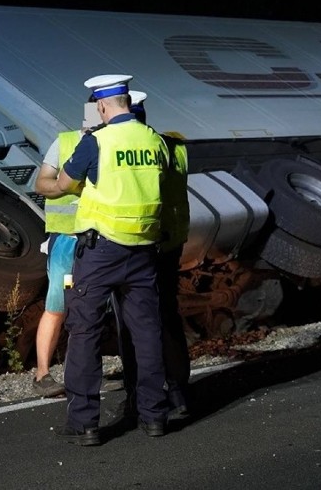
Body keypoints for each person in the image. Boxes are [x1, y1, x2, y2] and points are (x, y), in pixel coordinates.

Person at [54, 74, 171, 446]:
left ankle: (86, 423)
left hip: (100, 250)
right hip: (144, 250)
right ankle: (154, 416)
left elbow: (64, 185)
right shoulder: (156, 141)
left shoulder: (97, 141)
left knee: (85, 331)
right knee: (147, 332)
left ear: (102, 106)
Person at [115, 91, 193, 425]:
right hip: (171, 242)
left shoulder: (133, 149)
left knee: (133, 323)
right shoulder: (174, 146)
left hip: (140, 244)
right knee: (167, 316)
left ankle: (140, 395)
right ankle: (178, 391)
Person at [31, 102, 100, 397]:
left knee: (91, 309)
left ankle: (84, 375)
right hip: (67, 240)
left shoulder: (110, 141)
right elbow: (41, 183)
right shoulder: (65, 142)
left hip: (97, 238)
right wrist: (69, 185)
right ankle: (42, 375)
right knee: (57, 307)